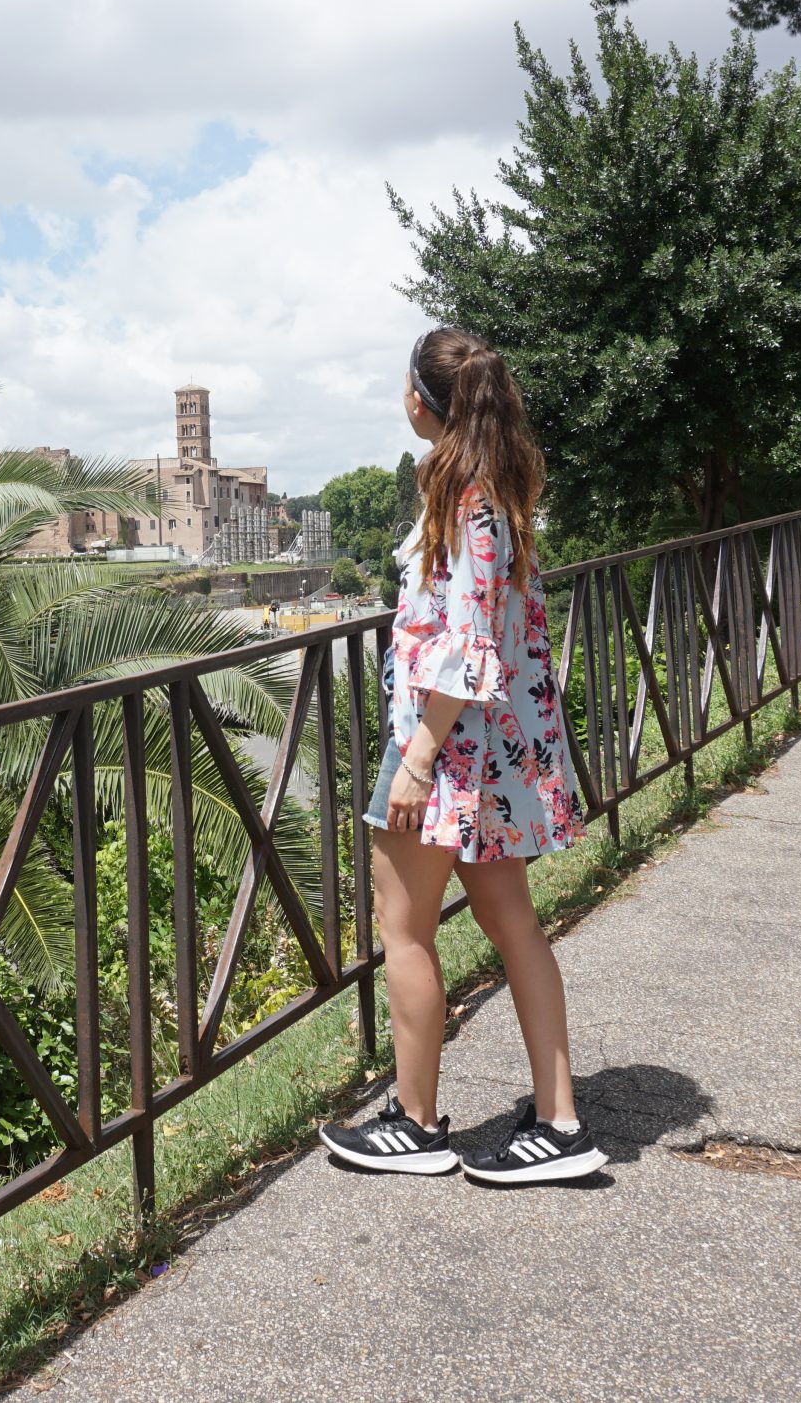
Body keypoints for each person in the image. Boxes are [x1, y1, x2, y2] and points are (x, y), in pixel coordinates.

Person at [318, 328, 600, 1186]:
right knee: (512, 922)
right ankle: (557, 1120)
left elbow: (470, 650)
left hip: (447, 752)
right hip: (489, 755)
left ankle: (418, 1122)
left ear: (423, 401)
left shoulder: (467, 501)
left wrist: (414, 759)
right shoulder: (493, 493)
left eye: (404, 383)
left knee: (403, 928)